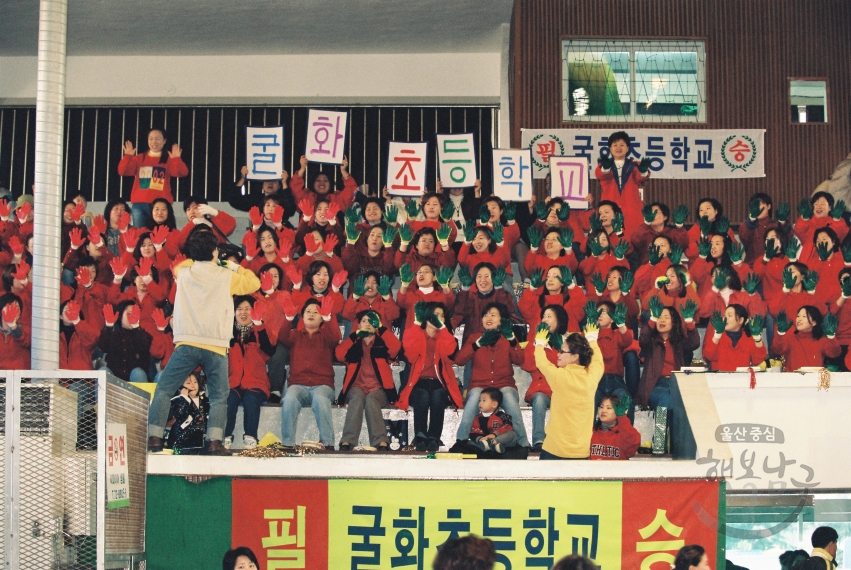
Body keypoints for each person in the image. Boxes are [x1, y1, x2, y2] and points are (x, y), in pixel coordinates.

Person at [147, 230, 261, 454]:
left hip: (186, 343)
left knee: (164, 389)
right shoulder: (226, 275)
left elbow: (184, 263)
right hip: (216, 345)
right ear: (214, 251)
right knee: (219, 396)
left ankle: (154, 437)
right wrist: (230, 264)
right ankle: (215, 441)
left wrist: (204, 256)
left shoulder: (184, 272)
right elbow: (254, 282)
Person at [454, 302, 529, 449]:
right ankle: (461, 441)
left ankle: (523, 443)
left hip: (504, 384)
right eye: (485, 315)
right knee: (475, 396)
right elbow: (459, 360)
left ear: (502, 320)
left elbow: (520, 360)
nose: (488, 317)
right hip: (480, 385)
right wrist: (478, 344)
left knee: (508, 395)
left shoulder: (508, 338)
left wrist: (512, 339)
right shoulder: (475, 337)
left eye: (493, 315)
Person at [397, 302, 463, 452]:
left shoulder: (446, 337)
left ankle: (434, 437)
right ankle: (420, 436)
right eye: (435, 315)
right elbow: (410, 355)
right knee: (423, 395)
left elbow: (449, 356)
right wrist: (416, 324)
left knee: (438, 395)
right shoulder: (413, 333)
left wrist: (444, 329)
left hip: (439, 383)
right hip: (417, 384)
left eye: (442, 316)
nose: (439, 318)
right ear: (426, 317)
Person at [533, 321, 603, 460]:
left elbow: (541, 362)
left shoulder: (559, 376)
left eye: (562, 351)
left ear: (575, 357)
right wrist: (592, 339)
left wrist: (539, 343)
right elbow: (598, 361)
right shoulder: (592, 377)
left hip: (554, 450)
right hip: (581, 453)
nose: (558, 354)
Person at [278, 297, 342, 450]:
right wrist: (288, 319)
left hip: (323, 385)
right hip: (298, 384)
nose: (311, 314)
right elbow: (282, 337)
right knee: (289, 399)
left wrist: (329, 318)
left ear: (321, 317)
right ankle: (287, 443)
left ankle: (327, 443)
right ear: (302, 316)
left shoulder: (326, 336)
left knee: (320, 400)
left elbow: (336, 338)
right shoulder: (295, 335)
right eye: (308, 311)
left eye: (316, 312)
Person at [335, 310, 400, 451]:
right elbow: (339, 355)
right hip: (356, 387)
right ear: (358, 325)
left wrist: (382, 329)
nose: (368, 323)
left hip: (379, 389)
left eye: (372, 321)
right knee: (357, 398)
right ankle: (347, 441)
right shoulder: (353, 343)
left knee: (371, 399)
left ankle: (380, 442)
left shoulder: (382, 342)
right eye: (364, 320)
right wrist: (353, 337)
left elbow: (395, 348)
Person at [224, 296, 275, 450]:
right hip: (234, 382)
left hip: (256, 383)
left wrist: (259, 324)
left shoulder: (262, 331)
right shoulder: (228, 334)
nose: (243, 312)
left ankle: (250, 438)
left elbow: (270, 349)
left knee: (251, 399)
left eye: (247, 308)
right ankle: (225, 437)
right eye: (239, 309)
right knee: (229, 398)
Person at [118, 128, 188, 228]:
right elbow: (122, 171)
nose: (154, 142)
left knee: (162, 236)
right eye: (151, 139)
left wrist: (176, 159)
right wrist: (127, 156)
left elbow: (182, 173)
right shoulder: (139, 158)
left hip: (161, 207)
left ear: (164, 141)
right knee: (140, 237)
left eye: (158, 139)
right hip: (140, 205)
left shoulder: (168, 160)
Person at [638, 300, 700, 408]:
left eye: (666, 317)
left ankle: (672, 425)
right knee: (665, 398)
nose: (661, 320)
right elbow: (643, 338)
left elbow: (694, 343)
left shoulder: (679, 342)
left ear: (674, 322)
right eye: (659, 317)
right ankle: (660, 426)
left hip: (676, 383)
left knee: (682, 403)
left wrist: (689, 322)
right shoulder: (651, 342)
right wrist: (652, 319)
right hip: (655, 385)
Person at [594, 131, 650, 241]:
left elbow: (641, 177)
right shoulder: (604, 165)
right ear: (610, 148)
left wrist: (643, 171)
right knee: (609, 240)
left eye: (622, 145)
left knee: (633, 240)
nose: (618, 148)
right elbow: (601, 175)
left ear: (628, 148)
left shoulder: (634, 165)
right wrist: (605, 168)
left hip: (631, 209)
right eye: (615, 145)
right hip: (609, 210)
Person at [165, 372, 209, 451]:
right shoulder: (177, 400)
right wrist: (184, 397)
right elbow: (179, 413)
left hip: (201, 443)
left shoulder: (206, 401)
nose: (193, 385)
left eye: (195, 382)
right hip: (181, 442)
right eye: (188, 383)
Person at [589, 393, 640, 460]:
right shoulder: (591, 432)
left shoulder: (622, 434)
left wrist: (622, 417)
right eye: (601, 407)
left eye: (609, 408)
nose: (603, 410)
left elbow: (633, 443)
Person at [469, 387, 517, 454]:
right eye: (479, 400)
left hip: (499, 439)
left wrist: (494, 435)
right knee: (469, 442)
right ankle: (491, 446)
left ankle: (493, 443)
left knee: (512, 435)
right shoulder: (478, 418)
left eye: (484, 400)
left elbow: (508, 427)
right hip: (484, 440)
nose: (480, 403)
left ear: (494, 404)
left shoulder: (502, 416)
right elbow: (474, 431)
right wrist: (480, 439)